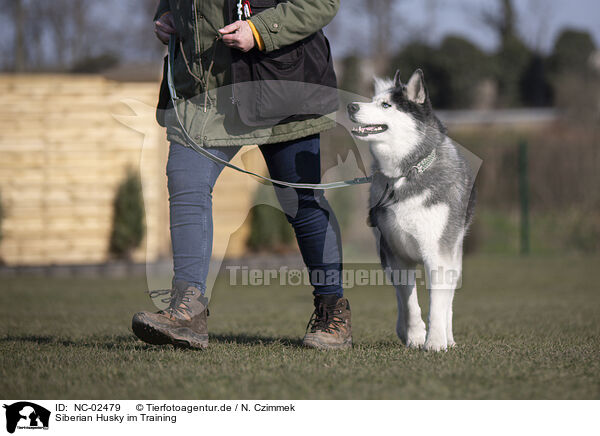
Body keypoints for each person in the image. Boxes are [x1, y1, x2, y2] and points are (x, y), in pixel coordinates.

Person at [132, 0, 351, 350]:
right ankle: (186, 311)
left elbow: (320, 3)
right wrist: (167, 15)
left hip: (281, 84)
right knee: (187, 188)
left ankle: (332, 313)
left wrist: (260, 30)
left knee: (302, 201)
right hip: (202, 92)